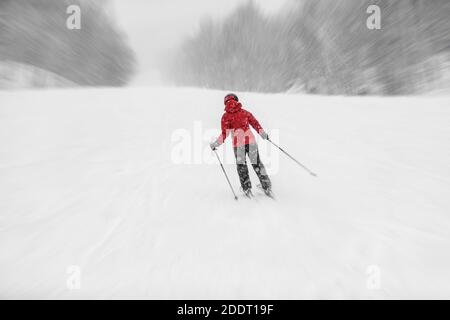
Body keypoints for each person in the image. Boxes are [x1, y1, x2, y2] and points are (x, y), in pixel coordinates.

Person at [210, 93, 272, 197]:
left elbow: (225, 134)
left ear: (225, 103)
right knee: (257, 164)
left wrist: (216, 144)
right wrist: (263, 134)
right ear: (236, 100)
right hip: (251, 143)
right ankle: (266, 186)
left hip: (238, 146)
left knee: (241, 167)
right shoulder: (244, 112)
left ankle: (246, 188)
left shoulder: (226, 117)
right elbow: (255, 124)